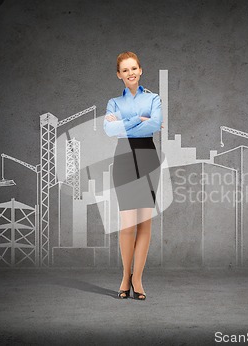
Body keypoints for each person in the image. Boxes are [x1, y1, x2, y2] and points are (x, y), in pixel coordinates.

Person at [103, 51, 163, 300]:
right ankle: (124, 277)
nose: (130, 73)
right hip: (125, 158)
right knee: (127, 223)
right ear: (119, 74)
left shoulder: (154, 98)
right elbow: (109, 130)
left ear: (141, 70)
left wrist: (123, 123)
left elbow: (155, 125)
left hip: (148, 157)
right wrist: (137, 119)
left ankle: (137, 278)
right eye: (125, 70)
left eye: (134, 68)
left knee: (144, 223)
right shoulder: (113, 102)